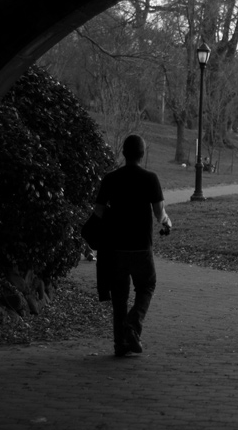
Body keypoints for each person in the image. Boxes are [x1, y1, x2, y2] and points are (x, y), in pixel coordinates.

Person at [93, 134, 172, 357]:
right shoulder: (150, 178)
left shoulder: (111, 179)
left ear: (123, 153)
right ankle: (132, 324)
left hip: (115, 248)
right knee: (147, 286)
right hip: (141, 247)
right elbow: (159, 214)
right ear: (142, 154)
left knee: (119, 295)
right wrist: (167, 222)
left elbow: (98, 212)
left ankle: (120, 344)